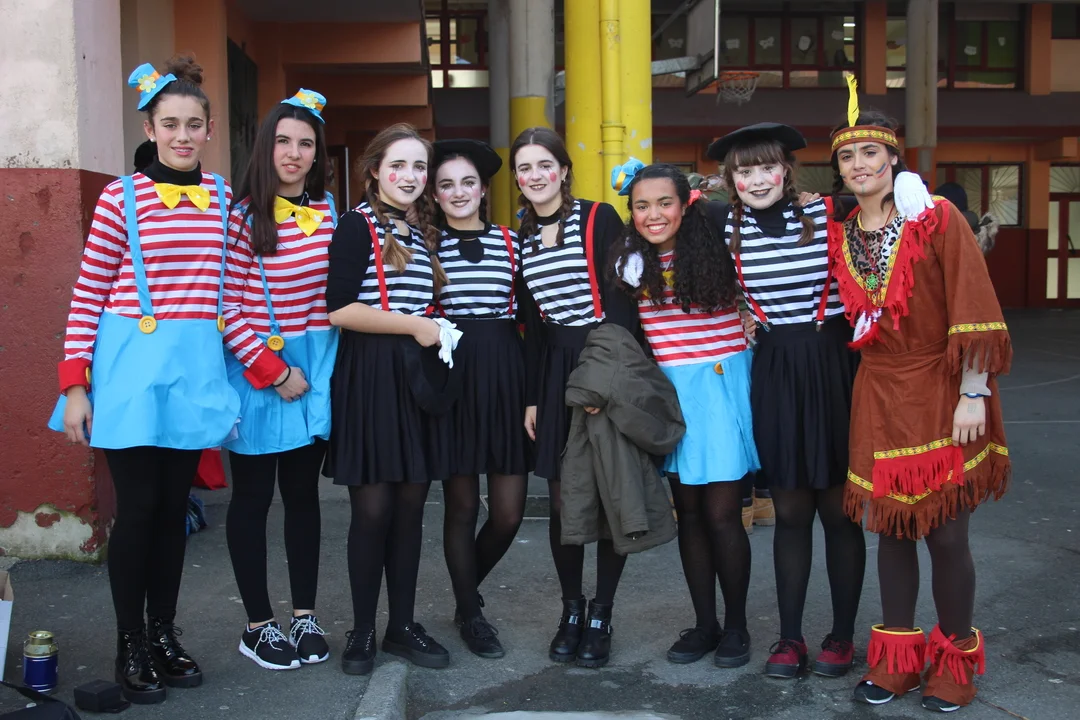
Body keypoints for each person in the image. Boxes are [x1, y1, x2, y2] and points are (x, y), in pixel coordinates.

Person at [49, 55, 239, 704]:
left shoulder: (223, 199)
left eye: (194, 124)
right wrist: (75, 386)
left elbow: (234, 289)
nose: (183, 135)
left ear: (209, 130)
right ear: (150, 129)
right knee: (138, 510)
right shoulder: (120, 197)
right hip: (131, 371)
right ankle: (129, 642)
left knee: (173, 509)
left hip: (193, 372)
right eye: (170, 124)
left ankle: (163, 633)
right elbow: (87, 294)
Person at [826, 81, 1011, 713]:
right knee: (894, 531)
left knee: (947, 536)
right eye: (848, 157)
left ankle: (954, 663)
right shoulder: (842, 231)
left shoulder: (935, 218)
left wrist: (973, 393)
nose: (859, 165)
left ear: (892, 158)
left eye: (870, 153)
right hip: (878, 395)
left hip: (941, 389)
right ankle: (898, 663)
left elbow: (973, 306)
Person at [609, 161, 760, 669]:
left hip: (720, 387)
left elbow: (758, 211)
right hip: (671, 394)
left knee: (722, 515)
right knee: (689, 515)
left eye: (664, 203)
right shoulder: (629, 260)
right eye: (642, 206)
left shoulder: (717, 237)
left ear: (686, 204)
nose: (653, 215)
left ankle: (736, 625)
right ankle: (704, 624)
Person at [324, 123, 454, 675]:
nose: (410, 176)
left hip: (413, 377)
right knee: (372, 512)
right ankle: (361, 632)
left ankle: (401, 626)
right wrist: (417, 326)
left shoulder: (420, 228)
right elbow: (339, 309)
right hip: (372, 376)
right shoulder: (356, 225)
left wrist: (433, 330)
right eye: (398, 165)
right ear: (374, 170)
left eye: (419, 166)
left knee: (409, 511)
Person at [513, 126, 639, 668]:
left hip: (603, 361)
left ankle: (602, 613)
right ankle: (571, 610)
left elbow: (622, 304)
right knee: (564, 500)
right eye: (525, 168)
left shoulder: (598, 218)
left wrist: (602, 383)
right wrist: (532, 397)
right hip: (553, 373)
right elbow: (531, 327)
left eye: (545, 164)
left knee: (610, 497)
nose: (536, 175)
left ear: (564, 170)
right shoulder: (519, 235)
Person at [221, 89, 338, 670]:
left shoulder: (333, 212)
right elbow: (224, 309)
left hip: (318, 370)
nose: (294, 153)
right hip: (260, 372)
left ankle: (305, 616)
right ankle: (259, 625)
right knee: (252, 498)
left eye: (306, 143)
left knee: (302, 496)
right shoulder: (242, 217)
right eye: (284, 141)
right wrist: (274, 372)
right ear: (266, 148)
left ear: (317, 153)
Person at [431, 139, 531, 659]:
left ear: (483, 188)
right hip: (453, 377)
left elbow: (532, 318)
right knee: (463, 505)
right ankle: (471, 612)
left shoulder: (513, 243)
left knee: (509, 513)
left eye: (467, 182)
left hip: (507, 374)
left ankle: (464, 590)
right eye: (446, 184)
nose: (458, 192)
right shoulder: (424, 246)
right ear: (434, 193)